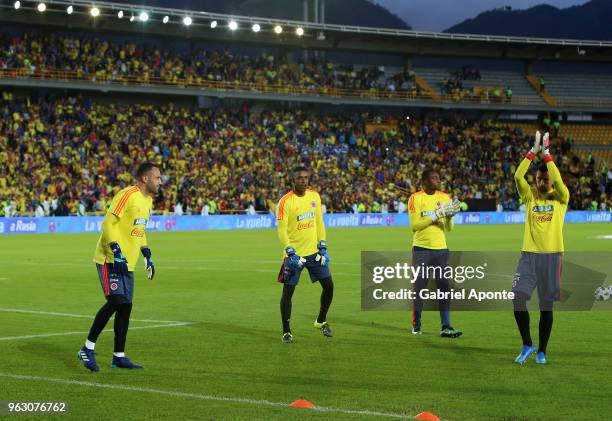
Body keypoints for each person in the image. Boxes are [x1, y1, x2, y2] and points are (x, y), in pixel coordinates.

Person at [77, 163, 162, 371]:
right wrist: (115, 249)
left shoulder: (148, 200)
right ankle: (87, 349)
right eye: (157, 177)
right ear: (145, 179)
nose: (160, 181)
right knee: (116, 301)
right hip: (109, 259)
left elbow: (139, 230)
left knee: (126, 307)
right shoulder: (128, 195)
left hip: (128, 262)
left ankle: (118, 356)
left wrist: (147, 254)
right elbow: (107, 224)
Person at [512, 132, 569, 364]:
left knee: (546, 307)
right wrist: (533, 152)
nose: (540, 182)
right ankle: (527, 344)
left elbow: (560, 182)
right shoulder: (530, 197)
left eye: (545, 180)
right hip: (528, 257)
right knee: (517, 298)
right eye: (538, 179)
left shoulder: (561, 198)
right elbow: (517, 176)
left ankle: (542, 350)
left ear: (552, 182)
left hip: (552, 258)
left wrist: (547, 156)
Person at [276, 166, 333, 343]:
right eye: (299, 178)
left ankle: (320, 320)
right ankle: (286, 331)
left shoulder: (314, 195)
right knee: (288, 293)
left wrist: (322, 244)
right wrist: (289, 250)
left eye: (306, 177)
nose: (303, 180)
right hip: (295, 256)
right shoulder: (285, 201)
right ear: (292, 180)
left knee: (329, 286)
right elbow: (282, 230)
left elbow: (319, 222)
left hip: (314, 253)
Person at [407, 168, 462, 338]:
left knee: (444, 287)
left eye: (438, 177)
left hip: (441, 249)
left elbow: (449, 229)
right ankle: (417, 323)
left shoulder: (444, 197)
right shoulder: (415, 198)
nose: (438, 180)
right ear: (424, 182)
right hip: (421, 249)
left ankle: (446, 326)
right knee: (420, 288)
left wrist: (450, 216)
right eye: (434, 178)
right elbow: (415, 226)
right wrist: (436, 214)